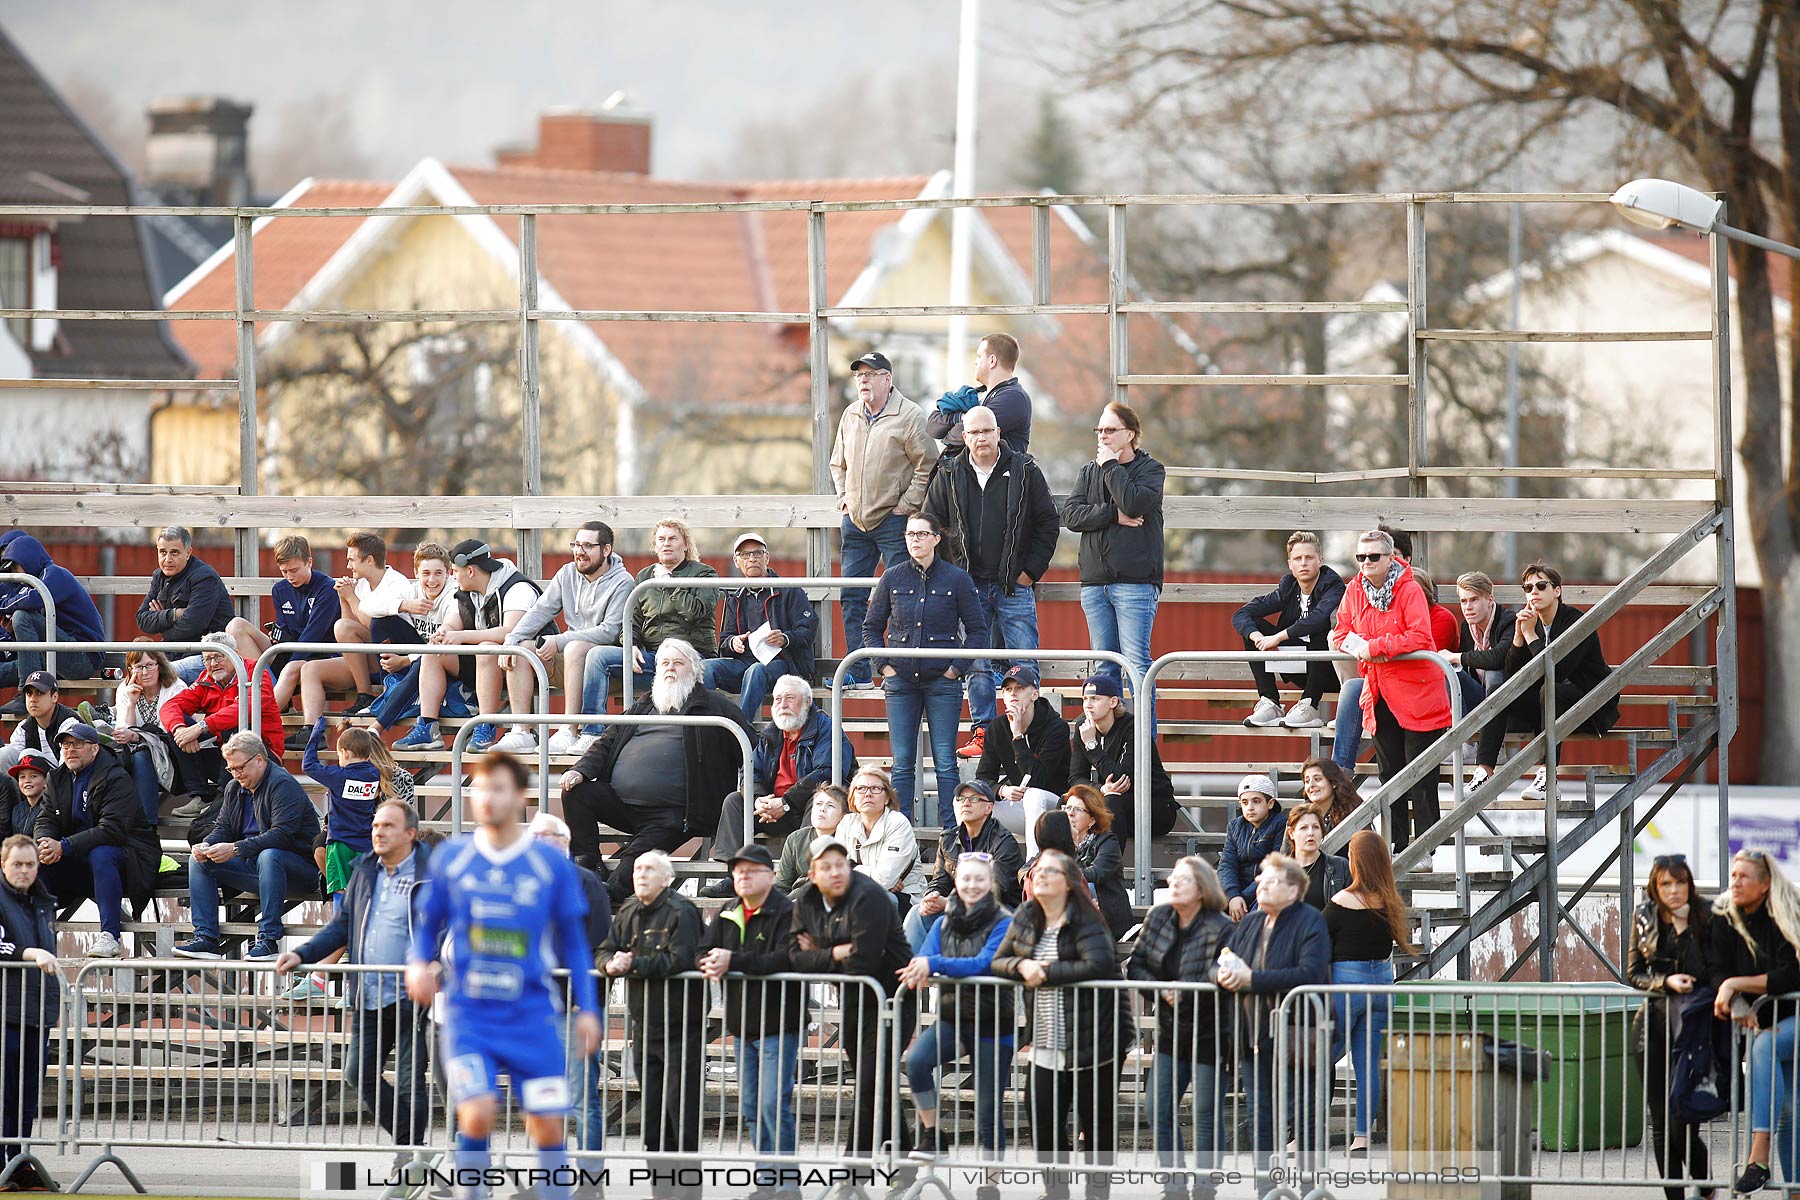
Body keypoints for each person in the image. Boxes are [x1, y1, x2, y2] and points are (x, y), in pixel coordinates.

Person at [405, 753, 601, 1200]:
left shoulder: (549, 866)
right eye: (479, 788)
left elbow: (574, 943)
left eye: (497, 788)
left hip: (532, 1015)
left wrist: (587, 1008)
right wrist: (419, 961)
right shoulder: (452, 857)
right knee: (475, 1113)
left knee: (548, 1125)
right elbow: (429, 920)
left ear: (520, 797)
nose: (486, 797)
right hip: (471, 1016)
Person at [276, 802, 435, 1150]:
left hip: (412, 995)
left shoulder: (433, 873)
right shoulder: (364, 870)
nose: (378, 831)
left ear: (409, 833)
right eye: (376, 825)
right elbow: (342, 926)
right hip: (369, 991)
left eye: (388, 826)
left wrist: (436, 966)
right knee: (357, 1073)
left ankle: (410, 1153)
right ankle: (412, 1147)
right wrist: (303, 953)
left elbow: (450, 928)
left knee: (410, 1082)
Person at [559, 638, 754, 902]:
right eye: (664, 663)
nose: (670, 668)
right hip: (623, 805)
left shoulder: (717, 708)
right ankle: (589, 861)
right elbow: (606, 743)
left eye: (678, 663)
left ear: (695, 671)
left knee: (636, 854)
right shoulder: (644, 705)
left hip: (676, 814)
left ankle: (611, 892)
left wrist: (750, 786)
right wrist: (580, 770)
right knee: (576, 792)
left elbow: (752, 749)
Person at [920, 404, 1058, 761]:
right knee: (977, 660)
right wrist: (947, 575)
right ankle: (982, 729)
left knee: (1024, 657)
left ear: (999, 433)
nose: (981, 438)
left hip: (1014, 584)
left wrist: (1031, 571)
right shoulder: (950, 472)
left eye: (987, 431)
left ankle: (1031, 729)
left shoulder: (1025, 470)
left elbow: (1047, 522)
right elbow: (931, 522)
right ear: (964, 437)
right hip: (967, 585)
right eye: (974, 433)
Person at [992, 848, 1130, 1200]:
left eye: (1050, 871)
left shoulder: (1086, 919)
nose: (1039, 875)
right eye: (1037, 870)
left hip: (1093, 1038)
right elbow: (1000, 961)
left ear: (1068, 883)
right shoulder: (1026, 914)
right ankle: (1057, 1191)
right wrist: (1022, 967)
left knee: (1095, 1121)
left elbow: (1097, 964)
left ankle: (1097, 1192)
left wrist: (1047, 973)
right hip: (1044, 1038)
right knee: (1042, 1117)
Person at [787, 834, 916, 1159]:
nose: (835, 872)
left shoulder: (868, 896)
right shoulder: (806, 899)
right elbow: (793, 957)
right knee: (875, 1081)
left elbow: (864, 960)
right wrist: (839, 951)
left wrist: (821, 952)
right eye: (826, 866)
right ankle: (904, 1160)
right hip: (853, 999)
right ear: (812, 873)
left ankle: (852, 1167)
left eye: (841, 864)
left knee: (872, 1081)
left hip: (891, 998)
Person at [899, 852, 1016, 1187]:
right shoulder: (943, 921)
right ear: (956, 883)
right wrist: (929, 962)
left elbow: (984, 964)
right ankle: (933, 1133)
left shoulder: (1004, 921)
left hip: (994, 1022)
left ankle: (990, 1184)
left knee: (987, 1111)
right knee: (918, 1061)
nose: (972, 885)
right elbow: (923, 956)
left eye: (979, 879)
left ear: (991, 883)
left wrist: (935, 964)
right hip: (953, 1016)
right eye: (965, 879)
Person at [1328, 529, 1450, 851]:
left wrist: (1377, 646)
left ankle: (1426, 848)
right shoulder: (1354, 589)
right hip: (1379, 691)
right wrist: (1361, 647)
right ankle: (1396, 844)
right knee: (1390, 773)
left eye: (1373, 556)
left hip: (1419, 693)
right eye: (1360, 557)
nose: (1366, 562)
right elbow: (1340, 630)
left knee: (1421, 776)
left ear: (1390, 558)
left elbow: (1421, 637)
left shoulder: (1409, 590)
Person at [697, 844, 805, 1199]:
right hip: (742, 1023)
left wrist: (734, 961)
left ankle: (787, 1184)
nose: (741, 875)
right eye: (737, 870)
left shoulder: (787, 911)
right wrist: (708, 963)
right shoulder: (728, 910)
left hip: (779, 1022)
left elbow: (786, 959)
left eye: (751, 870)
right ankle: (766, 1180)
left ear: (771, 876)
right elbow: (703, 949)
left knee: (775, 1103)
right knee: (750, 1105)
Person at [863, 512, 986, 820]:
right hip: (900, 682)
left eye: (920, 534)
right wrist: (884, 666)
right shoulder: (891, 576)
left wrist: (955, 669)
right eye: (909, 534)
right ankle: (899, 830)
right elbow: (871, 627)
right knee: (902, 762)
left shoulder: (957, 579)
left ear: (935, 538)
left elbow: (978, 631)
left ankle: (952, 832)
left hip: (943, 682)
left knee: (945, 761)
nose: (914, 540)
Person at [1216, 854, 1331, 1181]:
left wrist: (1252, 980)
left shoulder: (1310, 920)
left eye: (1270, 880)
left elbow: (1309, 972)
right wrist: (1222, 977)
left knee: (1305, 1115)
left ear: (1293, 890)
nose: (1259, 884)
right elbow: (1224, 960)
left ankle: (1310, 1186)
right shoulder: (1251, 921)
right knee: (1260, 1115)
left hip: (1298, 1032)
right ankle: (1265, 1187)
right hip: (1254, 1033)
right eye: (1260, 879)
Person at [599, 851, 705, 1200]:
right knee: (653, 1110)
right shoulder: (628, 911)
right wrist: (609, 963)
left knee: (681, 1110)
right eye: (638, 868)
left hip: (681, 1024)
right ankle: (661, 1189)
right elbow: (604, 949)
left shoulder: (681, 911)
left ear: (667, 878)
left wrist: (631, 965)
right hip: (644, 1025)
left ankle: (687, 1190)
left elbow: (679, 960)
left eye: (649, 869)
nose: (640, 874)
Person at [1127, 856, 1234, 1200]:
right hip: (1171, 1032)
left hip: (1211, 1032)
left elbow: (1223, 975)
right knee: (1157, 1108)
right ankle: (1173, 1185)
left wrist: (1183, 990)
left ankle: (1206, 1186)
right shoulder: (1159, 917)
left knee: (1205, 1113)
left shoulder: (1221, 927)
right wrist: (1161, 989)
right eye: (1172, 877)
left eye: (1182, 880)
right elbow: (1138, 965)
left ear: (1201, 888)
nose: (1173, 883)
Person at [1470, 562, 1622, 802]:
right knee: (1502, 691)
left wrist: (1530, 635)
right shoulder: (1533, 622)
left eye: (1541, 585)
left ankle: (1548, 778)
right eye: (1528, 588)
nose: (1534, 592)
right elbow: (1513, 676)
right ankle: (1484, 771)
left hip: (1592, 703)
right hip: (1549, 705)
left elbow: (1557, 671)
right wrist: (1519, 638)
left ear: (1557, 591)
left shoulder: (1575, 622)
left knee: (1550, 690)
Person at [829, 350, 936, 688]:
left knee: (904, 595)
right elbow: (837, 463)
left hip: (894, 522)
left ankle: (904, 671)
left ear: (887, 380)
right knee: (851, 597)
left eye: (870, 374)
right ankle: (859, 673)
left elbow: (928, 464)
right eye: (859, 374)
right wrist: (845, 498)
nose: (862, 380)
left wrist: (907, 504)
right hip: (856, 523)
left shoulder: (909, 415)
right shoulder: (850, 415)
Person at [173, 730, 321, 961]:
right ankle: (206, 939)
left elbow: (282, 836)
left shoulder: (283, 784)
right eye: (231, 769)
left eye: (240, 768)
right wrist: (207, 844)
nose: (235, 774)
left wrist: (234, 849)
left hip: (299, 870)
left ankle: (268, 940)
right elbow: (223, 828)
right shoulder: (234, 787)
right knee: (198, 861)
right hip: (256, 867)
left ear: (259, 761)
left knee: (269, 855)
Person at [703, 675, 856, 896]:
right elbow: (751, 770)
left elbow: (827, 774)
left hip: (806, 808)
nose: (782, 705)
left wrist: (785, 803)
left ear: (807, 703)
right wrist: (759, 799)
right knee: (735, 802)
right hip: (773, 810)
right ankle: (735, 877)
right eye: (777, 699)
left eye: (789, 698)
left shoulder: (827, 728)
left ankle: (805, 878)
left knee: (819, 799)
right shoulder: (770, 733)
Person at [394, 539, 541, 753]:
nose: (452, 576)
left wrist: (461, 636)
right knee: (434, 652)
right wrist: (444, 631)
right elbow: (455, 620)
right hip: (485, 666)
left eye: (454, 571)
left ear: (470, 571)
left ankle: (486, 725)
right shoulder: (466, 591)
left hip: (528, 663)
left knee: (488, 647)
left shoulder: (517, 588)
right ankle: (427, 727)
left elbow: (510, 631)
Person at [1710, 848, 1800, 1194]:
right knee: (1791, 1107)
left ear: (1765, 885)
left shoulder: (1783, 912)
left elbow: (1791, 976)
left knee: (1764, 1047)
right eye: (1733, 875)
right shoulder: (1724, 916)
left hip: (1793, 1015)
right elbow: (1717, 969)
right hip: (1770, 1019)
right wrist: (1734, 1000)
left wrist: (1736, 986)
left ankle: (1758, 1155)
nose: (1735, 881)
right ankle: (1794, 1189)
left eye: (1744, 876)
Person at [1625, 852, 1713, 1200]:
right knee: (1660, 1125)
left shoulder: (1706, 916)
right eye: (1666, 884)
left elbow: (1709, 972)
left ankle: (1705, 1187)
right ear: (1655, 886)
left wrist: (1681, 926)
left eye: (1680, 883)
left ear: (1689, 885)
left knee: (1682, 1125)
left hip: (1690, 1027)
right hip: (1651, 1026)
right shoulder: (1644, 914)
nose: (1673, 890)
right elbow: (1634, 972)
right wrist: (1665, 981)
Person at [504, 521, 634, 755]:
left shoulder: (623, 581)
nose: (579, 551)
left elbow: (610, 631)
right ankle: (521, 731)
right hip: (570, 662)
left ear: (606, 550)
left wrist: (561, 641)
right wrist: (511, 640)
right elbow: (541, 610)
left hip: (603, 669)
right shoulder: (566, 573)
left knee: (574, 647)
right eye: (576, 545)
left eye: (587, 546)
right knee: (522, 648)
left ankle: (568, 731)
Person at [31, 720, 158, 960]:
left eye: (77, 744)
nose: (70, 750)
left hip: (129, 858)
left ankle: (110, 936)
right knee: (35, 861)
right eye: (66, 745)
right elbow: (45, 817)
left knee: (101, 852)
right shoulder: (57, 778)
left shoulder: (116, 777)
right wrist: (45, 842)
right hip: (78, 857)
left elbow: (112, 831)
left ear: (95, 748)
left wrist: (64, 846)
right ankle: (36, 935)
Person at [1062, 401, 1165, 688]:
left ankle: (1144, 734)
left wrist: (1109, 464)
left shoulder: (1151, 470)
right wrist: (1111, 515)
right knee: (1103, 667)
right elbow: (1071, 515)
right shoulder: (1087, 471)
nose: (1102, 436)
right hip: (1094, 584)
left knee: (1137, 663)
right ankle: (1113, 734)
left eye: (1110, 430)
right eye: (1099, 430)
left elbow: (1132, 503)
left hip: (1135, 583)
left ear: (1130, 433)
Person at [1325, 832, 1412, 1157]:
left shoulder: (1341, 902)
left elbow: (1319, 937)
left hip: (1347, 983)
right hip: (1381, 983)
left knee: (1321, 1057)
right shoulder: (1389, 901)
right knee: (1367, 1064)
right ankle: (1361, 1136)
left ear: (1356, 861)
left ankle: (1307, 1131)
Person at [159, 632, 283, 817]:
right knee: (177, 728)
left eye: (218, 656)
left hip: (262, 755)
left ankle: (224, 798)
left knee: (235, 728)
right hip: (224, 757)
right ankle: (200, 795)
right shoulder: (206, 679)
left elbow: (245, 708)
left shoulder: (256, 672)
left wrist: (201, 727)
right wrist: (181, 729)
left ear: (235, 654)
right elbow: (170, 706)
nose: (213, 663)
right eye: (207, 659)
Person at [296, 532, 415, 723]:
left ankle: (365, 694)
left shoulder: (396, 583)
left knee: (344, 627)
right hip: (366, 656)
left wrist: (351, 597)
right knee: (310, 669)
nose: (348, 566)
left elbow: (379, 628)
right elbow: (346, 632)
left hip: (395, 657)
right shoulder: (361, 584)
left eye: (351, 560)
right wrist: (344, 599)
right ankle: (311, 731)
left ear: (369, 560)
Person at [1232, 531, 1345, 730]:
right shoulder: (1288, 587)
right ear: (1290, 564)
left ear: (1320, 560)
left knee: (1321, 629)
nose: (1303, 563)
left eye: (1309, 558)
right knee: (1252, 627)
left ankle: (1310, 704)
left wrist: (1277, 637)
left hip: (1329, 673)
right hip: (1297, 666)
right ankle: (1270, 702)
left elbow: (1318, 618)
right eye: (1298, 558)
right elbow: (1241, 614)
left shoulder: (1333, 585)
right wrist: (1258, 637)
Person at [703, 532, 818, 723]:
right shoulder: (735, 597)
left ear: (767, 557)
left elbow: (808, 630)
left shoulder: (789, 590)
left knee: (755, 671)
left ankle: (741, 728)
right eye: (745, 555)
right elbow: (724, 641)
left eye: (757, 553)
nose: (752, 559)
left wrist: (785, 638)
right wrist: (734, 643)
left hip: (782, 664)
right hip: (744, 664)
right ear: (736, 560)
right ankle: (705, 727)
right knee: (705, 668)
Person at [0, 833, 60, 1194]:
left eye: (30, 864)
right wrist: (30, 953)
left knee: (26, 1097)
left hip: (36, 1012)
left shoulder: (43, 900)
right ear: (3, 865)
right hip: (5, 1009)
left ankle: (18, 1164)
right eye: (17, 864)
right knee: (3, 1093)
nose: (24, 870)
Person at [226, 534, 341, 714]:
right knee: (235, 626)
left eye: (294, 570)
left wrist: (285, 658)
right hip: (291, 651)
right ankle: (271, 693)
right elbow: (285, 629)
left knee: (291, 666)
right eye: (284, 572)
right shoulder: (279, 589)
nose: (289, 576)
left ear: (309, 562)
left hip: (320, 655)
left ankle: (265, 708)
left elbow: (313, 636)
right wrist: (277, 638)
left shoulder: (327, 588)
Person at [905, 779, 1025, 949]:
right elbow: (940, 880)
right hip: (957, 905)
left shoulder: (1004, 842)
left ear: (988, 808)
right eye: (961, 799)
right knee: (917, 913)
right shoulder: (948, 839)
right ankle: (907, 971)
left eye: (974, 799)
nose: (966, 803)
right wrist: (931, 897)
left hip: (998, 911)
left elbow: (996, 893)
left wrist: (950, 904)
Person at [364, 543, 465, 735]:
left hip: (444, 660)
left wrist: (405, 660)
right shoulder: (411, 591)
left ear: (448, 573)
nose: (432, 580)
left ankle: (377, 727)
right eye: (426, 573)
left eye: (438, 573)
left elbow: (442, 639)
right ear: (416, 573)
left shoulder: (454, 594)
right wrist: (404, 606)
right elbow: (367, 606)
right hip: (421, 652)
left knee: (427, 657)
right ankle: (390, 684)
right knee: (380, 622)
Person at [1069, 673, 1177, 842]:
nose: (1087, 705)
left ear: (1113, 702)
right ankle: (1065, 863)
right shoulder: (1083, 727)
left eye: (1094, 699)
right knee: (1068, 800)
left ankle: (1109, 866)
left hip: (1155, 808)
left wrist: (1092, 745)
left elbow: (1123, 779)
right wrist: (1100, 789)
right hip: (1113, 803)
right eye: (1084, 699)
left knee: (1112, 800)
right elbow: (1076, 778)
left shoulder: (1133, 727)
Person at [973, 665, 1069, 853]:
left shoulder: (1056, 727)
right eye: (1008, 689)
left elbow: (1038, 780)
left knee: (1033, 795)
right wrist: (1002, 790)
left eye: (1020, 688)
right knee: (966, 797)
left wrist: (1017, 736)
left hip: (1054, 808)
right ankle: (975, 865)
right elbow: (982, 778)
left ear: (1034, 695)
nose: (1013, 694)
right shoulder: (997, 726)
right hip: (1018, 806)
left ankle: (1031, 869)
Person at [0, 533, 106, 695]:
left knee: (22, 616)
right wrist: (13, 631)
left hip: (82, 658)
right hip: (58, 653)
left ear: (27, 560)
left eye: (14, 566)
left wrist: (4, 606)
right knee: (14, 666)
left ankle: (27, 693)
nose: (14, 573)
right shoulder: (37, 580)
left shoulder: (55, 575)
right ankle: (28, 692)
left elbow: (32, 599)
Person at [627, 518, 720, 691]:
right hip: (652, 656)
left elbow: (695, 612)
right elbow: (632, 619)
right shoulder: (644, 576)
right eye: (661, 540)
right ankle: (589, 719)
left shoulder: (704, 573)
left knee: (676, 662)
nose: (666, 544)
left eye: (672, 539)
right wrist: (631, 645)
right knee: (598, 657)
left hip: (691, 654)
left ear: (685, 544)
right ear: (655, 546)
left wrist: (668, 581)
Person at [135, 526, 235, 681]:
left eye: (174, 552)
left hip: (208, 656)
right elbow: (142, 619)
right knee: (137, 670)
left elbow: (191, 626)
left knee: (155, 675)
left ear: (188, 553)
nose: (167, 559)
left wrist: (162, 627)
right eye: (163, 552)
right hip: (172, 653)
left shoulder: (205, 577)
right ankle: (114, 707)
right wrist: (173, 614)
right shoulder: (159, 576)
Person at [1445, 571, 1513, 783]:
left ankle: (1495, 746)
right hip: (1480, 702)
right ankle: (1465, 743)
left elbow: (1498, 657)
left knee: (1493, 672)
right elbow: (1466, 668)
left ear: (1489, 599)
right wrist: (1454, 661)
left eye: (1474, 600)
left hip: (1510, 705)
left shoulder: (1508, 621)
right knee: (1449, 672)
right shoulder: (1468, 628)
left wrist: (1457, 656)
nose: (1468, 607)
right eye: (1464, 601)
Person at [924, 331, 1034, 453]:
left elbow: (956, 438)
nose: (975, 361)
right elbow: (932, 426)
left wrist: (956, 425)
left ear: (992, 360)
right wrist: (960, 417)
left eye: (979, 356)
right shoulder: (974, 395)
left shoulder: (1014, 398)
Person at [110, 643, 180, 827]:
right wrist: (132, 703)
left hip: (173, 752)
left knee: (141, 756)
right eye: (139, 667)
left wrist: (136, 736)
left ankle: (146, 826)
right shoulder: (124, 689)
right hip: (136, 751)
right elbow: (125, 730)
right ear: (130, 670)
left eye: (150, 665)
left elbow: (168, 731)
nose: (145, 672)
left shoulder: (175, 687)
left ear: (159, 665)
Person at [837, 766, 924, 910]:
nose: (868, 794)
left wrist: (852, 868)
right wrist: (875, 876)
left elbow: (885, 879)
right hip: (856, 895)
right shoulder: (846, 823)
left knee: (872, 900)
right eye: (861, 788)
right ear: (853, 797)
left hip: (902, 899)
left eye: (876, 788)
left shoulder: (898, 823)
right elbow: (835, 871)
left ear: (887, 798)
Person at [1060, 784, 1133, 940]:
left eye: (1078, 810)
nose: (1071, 814)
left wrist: (1058, 874)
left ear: (1092, 820)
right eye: (1068, 808)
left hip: (1106, 915)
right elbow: (1028, 867)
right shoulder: (1059, 840)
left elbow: (1097, 873)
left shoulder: (1107, 840)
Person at [1219, 775, 1284, 922]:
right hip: (1236, 890)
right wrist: (1233, 895)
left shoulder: (1281, 825)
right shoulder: (1235, 826)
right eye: (1244, 802)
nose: (1250, 807)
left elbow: (1275, 867)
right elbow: (1227, 864)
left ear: (1271, 803)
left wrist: (1243, 898)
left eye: (1256, 801)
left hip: (1266, 888)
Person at [773, 784, 846, 897]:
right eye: (818, 804)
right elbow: (781, 886)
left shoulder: (848, 839)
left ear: (843, 816)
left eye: (830, 805)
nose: (822, 809)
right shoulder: (795, 839)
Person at [0, 672, 77, 777]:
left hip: (64, 783)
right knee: (4, 754)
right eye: (29, 694)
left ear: (54, 697)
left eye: (39, 693)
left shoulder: (69, 724)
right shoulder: (24, 727)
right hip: (33, 784)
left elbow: (69, 770)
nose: (33, 699)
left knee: (28, 754)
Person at [1285, 807, 1350, 912]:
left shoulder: (1340, 866)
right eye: (1303, 828)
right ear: (1291, 833)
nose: (1310, 833)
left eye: (1316, 827)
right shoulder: (1278, 871)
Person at [1299, 757, 1360, 837]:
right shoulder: (1299, 814)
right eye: (1307, 781)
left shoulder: (1351, 811)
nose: (1311, 785)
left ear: (1333, 783)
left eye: (1317, 779)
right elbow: (1287, 848)